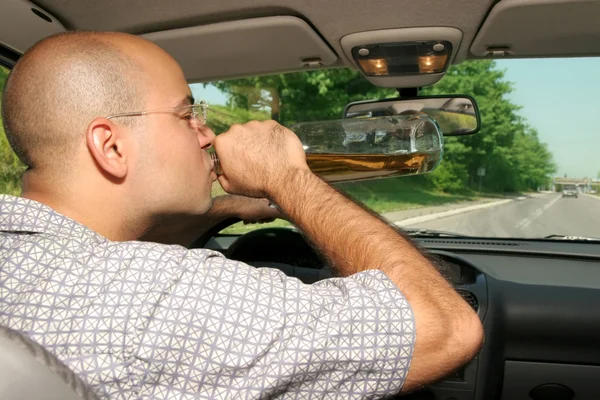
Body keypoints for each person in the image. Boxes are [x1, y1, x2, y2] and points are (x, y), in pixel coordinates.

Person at [0, 31, 483, 399]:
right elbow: (446, 329)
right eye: (187, 114)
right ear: (110, 145)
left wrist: (229, 207)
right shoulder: (158, 297)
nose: (206, 134)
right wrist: (289, 179)